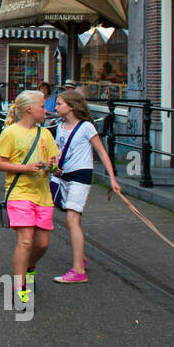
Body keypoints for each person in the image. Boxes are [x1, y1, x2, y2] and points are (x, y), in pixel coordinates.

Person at [0, 90, 61, 310]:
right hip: (19, 193)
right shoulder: (11, 132)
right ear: (30, 109)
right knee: (26, 241)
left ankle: (29, 266)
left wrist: (53, 167)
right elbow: (0, 163)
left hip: (42, 194)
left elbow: (55, 166)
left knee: (42, 244)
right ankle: (19, 285)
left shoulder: (46, 135)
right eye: (42, 106)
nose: (46, 110)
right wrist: (26, 168)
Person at [51, 89, 122, 283]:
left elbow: (101, 151)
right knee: (66, 214)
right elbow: (58, 150)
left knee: (72, 219)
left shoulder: (86, 127)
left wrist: (112, 179)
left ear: (71, 107)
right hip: (62, 175)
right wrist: (55, 164)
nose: (55, 107)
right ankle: (79, 254)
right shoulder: (59, 126)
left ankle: (78, 271)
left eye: (59, 104)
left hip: (81, 176)